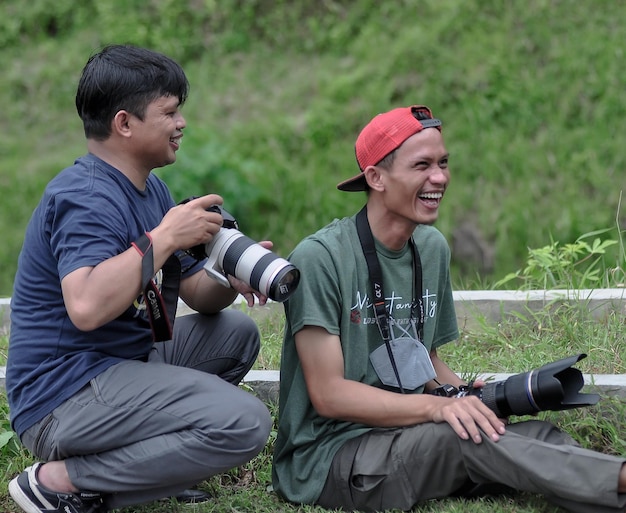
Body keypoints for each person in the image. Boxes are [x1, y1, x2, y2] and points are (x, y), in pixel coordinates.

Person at [271, 104, 626, 513]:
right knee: (467, 438)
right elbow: (329, 395)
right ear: (376, 178)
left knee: (537, 435)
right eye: (422, 165)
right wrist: (439, 408)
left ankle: (606, 494)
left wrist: (460, 395)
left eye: (443, 163)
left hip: (410, 435)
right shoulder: (321, 258)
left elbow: (425, 358)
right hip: (334, 458)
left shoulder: (431, 247)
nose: (439, 178)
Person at [6, 44, 272, 513]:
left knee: (235, 335)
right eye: (169, 112)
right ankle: (58, 482)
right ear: (124, 123)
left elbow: (198, 296)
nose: (182, 123)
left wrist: (229, 272)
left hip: (121, 363)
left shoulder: (152, 189)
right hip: (63, 395)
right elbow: (85, 307)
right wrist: (165, 236)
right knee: (245, 423)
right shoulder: (84, 196)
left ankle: (150, 468)